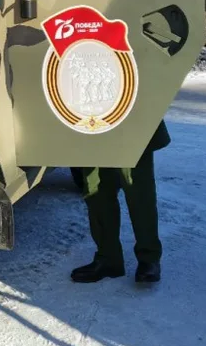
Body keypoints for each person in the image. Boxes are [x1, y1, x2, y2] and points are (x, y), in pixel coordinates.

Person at [70, 121, 169, 284]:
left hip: (131, 117)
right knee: (96, 188)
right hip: (89, 119)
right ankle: (108, 258)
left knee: (138, 190)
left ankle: (149, 258)